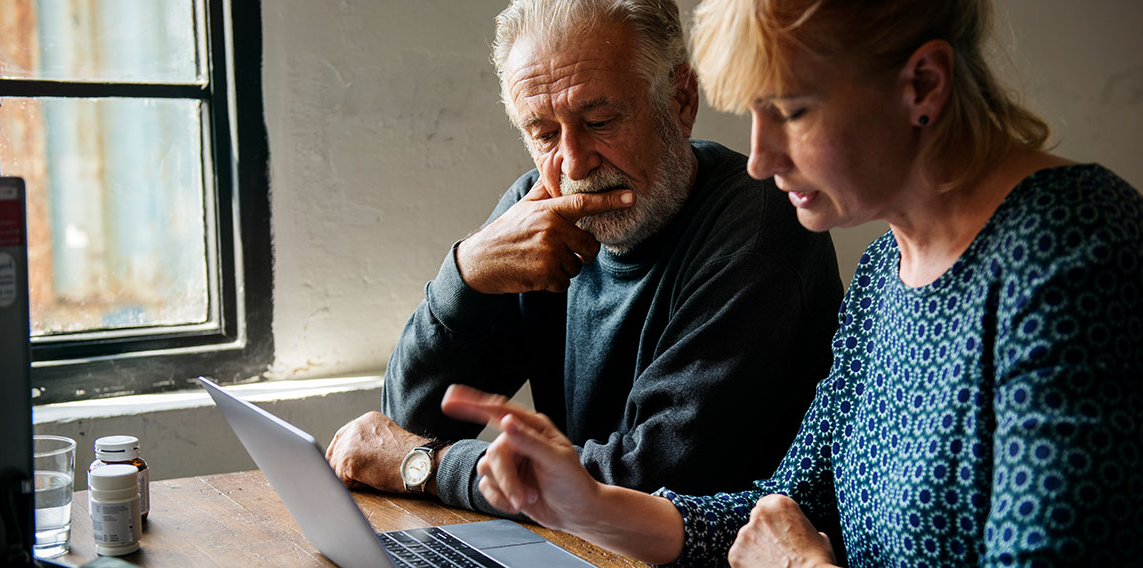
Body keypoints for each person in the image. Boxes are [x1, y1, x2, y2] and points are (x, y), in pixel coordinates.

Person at [439, 0, 1143, 565]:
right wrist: (582, 504)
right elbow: (788, 505)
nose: (759, 157)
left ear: (923, 85)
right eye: (753, 112)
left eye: (794, 110)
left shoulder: (1073, 251)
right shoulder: (884, 272)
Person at [325, 0, 843, 517]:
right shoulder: (538, 216)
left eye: (599, 121)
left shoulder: (761, 228)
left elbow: (649, 484)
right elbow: (410, 420)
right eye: (544, 134)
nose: (573, 162)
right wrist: (464, 276)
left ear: (682, 100)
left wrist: (426, 467)